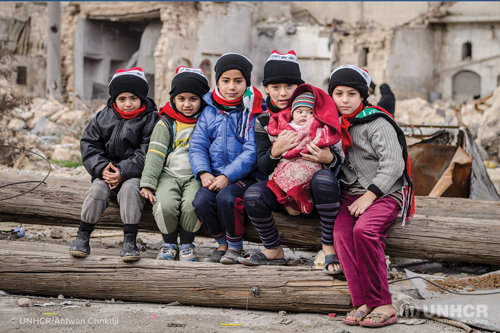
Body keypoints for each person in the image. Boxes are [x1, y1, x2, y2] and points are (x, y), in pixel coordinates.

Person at [240, 51, 343, 274]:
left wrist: (330, 159)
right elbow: (264, 166)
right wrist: (276, 150)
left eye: (289, 86)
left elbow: (339, 158)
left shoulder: (317, 114)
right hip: (284, 189)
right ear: (266, 88)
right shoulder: (264, 121)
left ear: (298, 87)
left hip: (318, 192)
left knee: (324, 179)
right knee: (253, 196)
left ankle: (328, 246)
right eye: (275, 87)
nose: (283, 93)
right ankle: (273, 250)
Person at [328, 64, 414, 327]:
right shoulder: (331, 123)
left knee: (364, 231)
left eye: (351, 94)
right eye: (338, 93)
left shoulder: (377, 121)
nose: (344, 100)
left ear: (362, 96)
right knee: (342, 233)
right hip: (350, 193)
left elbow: (393, 164)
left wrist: (370, 196)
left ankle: (384, 304)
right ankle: (363, 301)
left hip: (386, 192)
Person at [70, 67, 158, 262]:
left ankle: (129, 240)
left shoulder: (151, 119)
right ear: (114, 99)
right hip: (106, 172)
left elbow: (148, 151)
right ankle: (83, 236)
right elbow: (89, 144)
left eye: (133, 98)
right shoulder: (103, 116)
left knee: (129, 191)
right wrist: (102, 168)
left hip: (134, 174)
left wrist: (123, 171)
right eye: (122, 98)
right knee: (96, 191)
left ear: (142, 98)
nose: (128, 104)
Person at [189, 53, 266, 264]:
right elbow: (197, 145)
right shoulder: (209, 111)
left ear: (246, 83)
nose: (231, 87)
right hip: (213, 175)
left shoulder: (253, 111)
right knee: (201, 201)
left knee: (227, 198)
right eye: (226, 80)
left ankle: (235, 247)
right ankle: (221, 243)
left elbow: (251, 151)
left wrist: (227, 176)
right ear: (217, 82)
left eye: (238, 81)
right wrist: (204, 172)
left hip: (246, 176)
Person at [139, 66, 210, 262]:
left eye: (193, 99)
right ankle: (169, 242)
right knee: (164, 205)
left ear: (202, 99)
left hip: (197, 176)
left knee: (192, 205)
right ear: (173, 99)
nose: (187, 104)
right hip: (169, 174)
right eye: (181, 99)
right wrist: (148, 183)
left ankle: (187, 243)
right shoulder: (166, 124)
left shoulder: (207, 122)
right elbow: (155, 155)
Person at [265, 89, 341, 216]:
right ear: (292, 113)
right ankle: (290, 198)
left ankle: (302, 200)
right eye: (299, 112)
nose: (304, 115)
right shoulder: (286, 125)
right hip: (288, 160)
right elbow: (276, 142)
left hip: (309, 159)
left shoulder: (318, 126)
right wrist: (277, 149)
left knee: (306, 176)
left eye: (310, 112)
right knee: (284, 176)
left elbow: (322, 140)